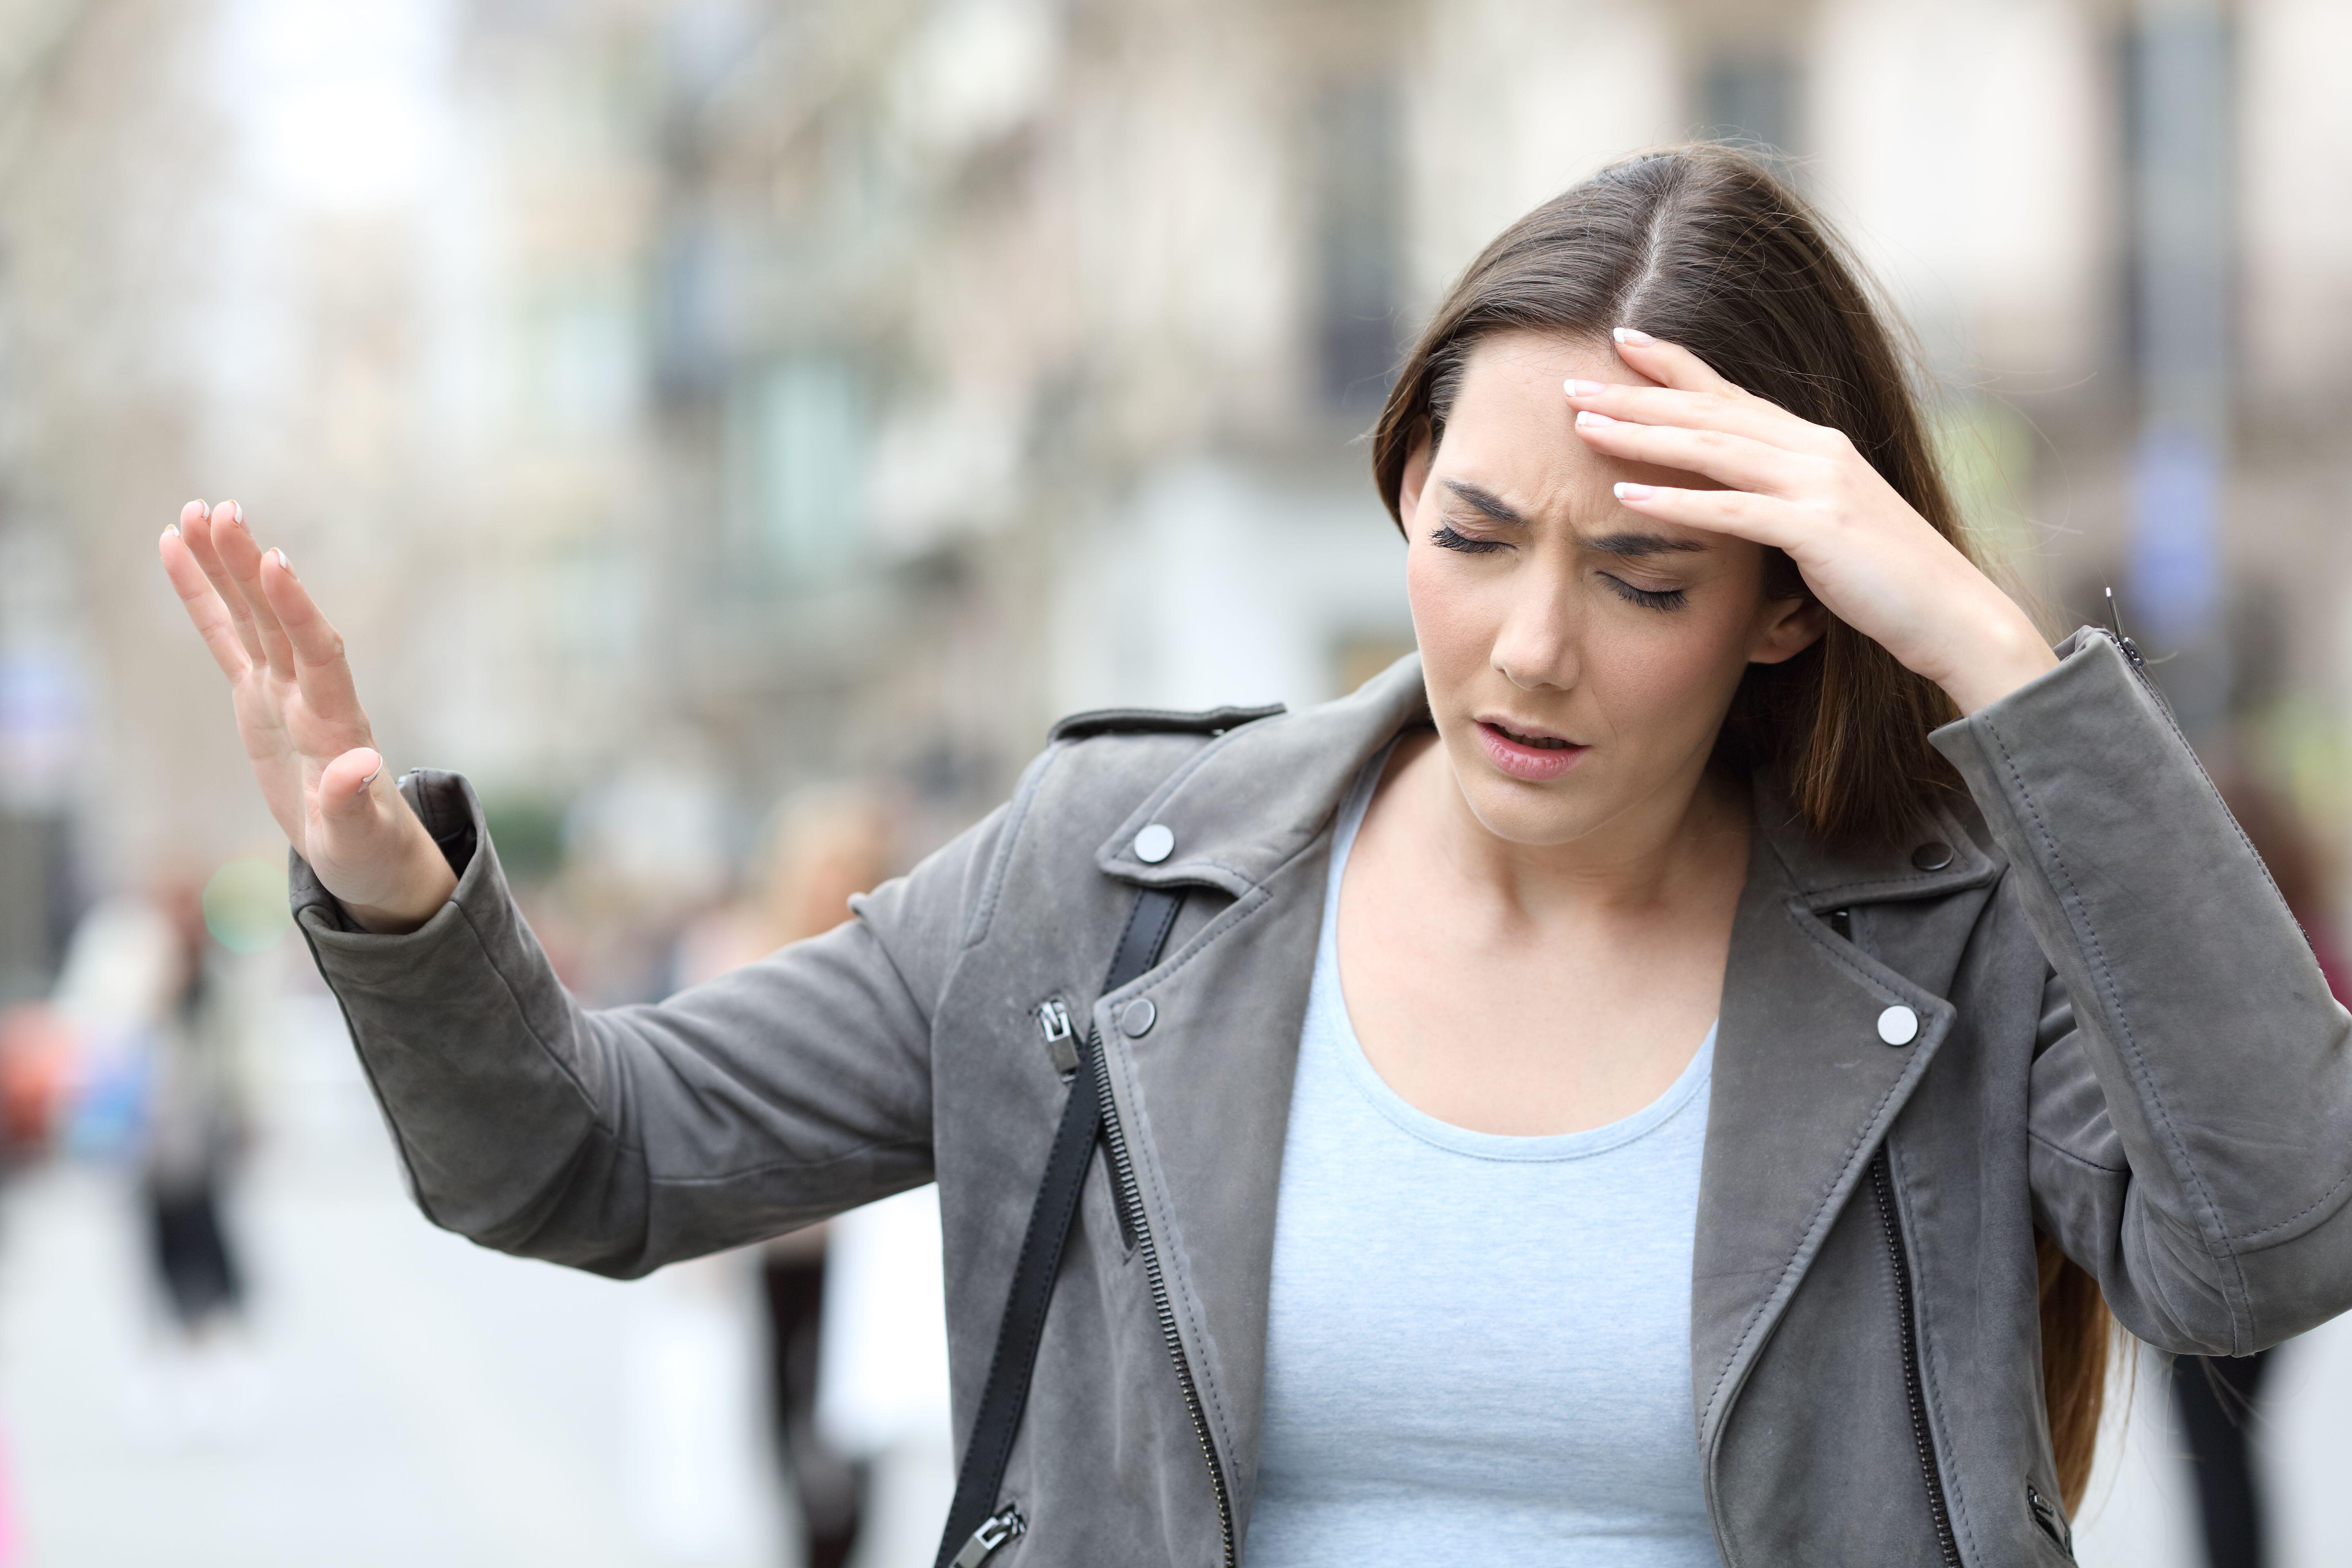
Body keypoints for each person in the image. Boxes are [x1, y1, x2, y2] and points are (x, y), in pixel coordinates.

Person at [153, 145, 2352, 1566]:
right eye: (1469, 533)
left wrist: (1977, 641)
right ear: (1402, 485)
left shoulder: (1953, 941)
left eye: (1649, 581)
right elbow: (590, 1163)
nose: (1530, 644)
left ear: (1792, 605)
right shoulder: (1113, 874)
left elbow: (2267, 1243)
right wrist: (399, 898)